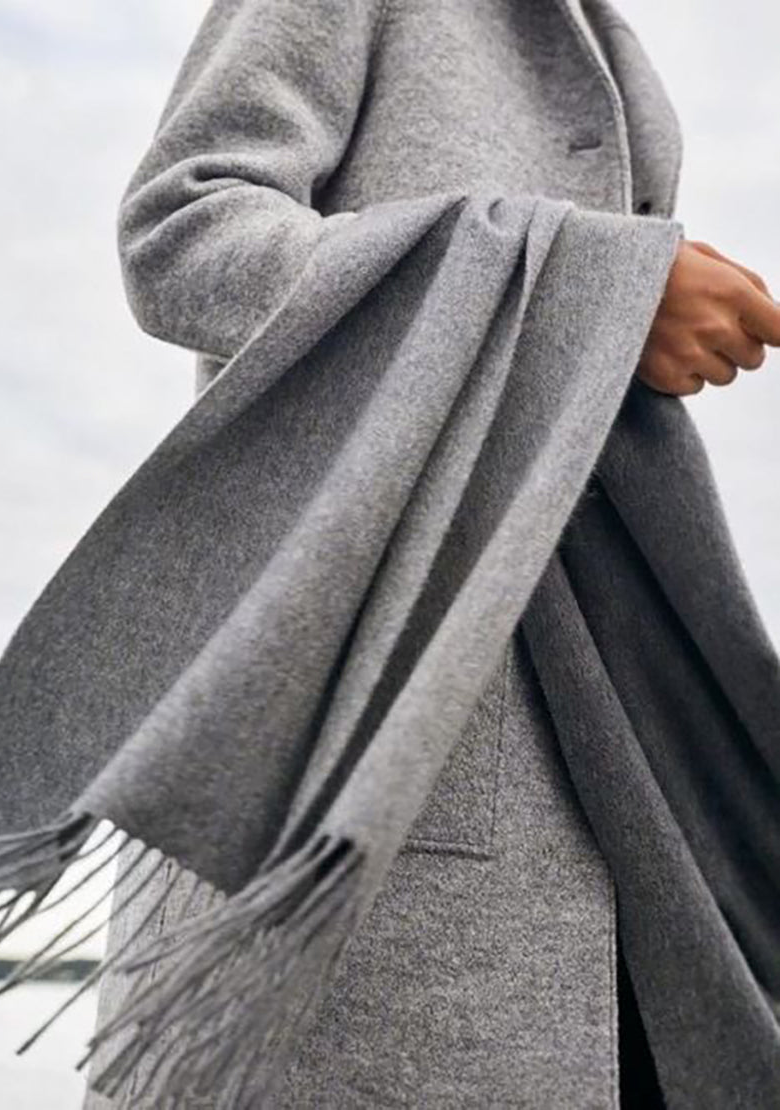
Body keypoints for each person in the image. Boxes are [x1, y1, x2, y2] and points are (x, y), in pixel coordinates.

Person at [83, 0, 780, 1106]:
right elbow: (181, 233)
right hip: (369, 743)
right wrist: (593, 286)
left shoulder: (619, 58)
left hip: (612, 745)